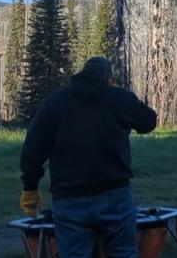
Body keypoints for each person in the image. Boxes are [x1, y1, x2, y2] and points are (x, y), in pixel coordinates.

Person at [19, 56, 158, 258]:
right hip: (114, 195)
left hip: (69, 198)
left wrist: (30, 187)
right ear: (108, 78)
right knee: (123, 253)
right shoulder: (119, 97)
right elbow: (148, 122)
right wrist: (122, 98)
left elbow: (33, 149)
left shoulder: (55, 102)